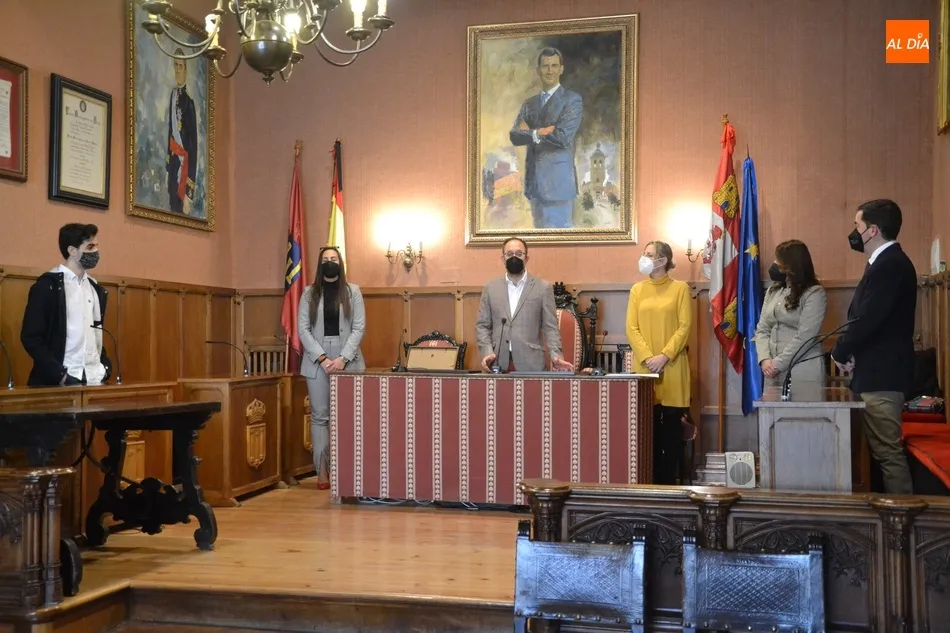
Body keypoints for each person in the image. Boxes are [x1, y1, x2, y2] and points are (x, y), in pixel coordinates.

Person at [830, 199, 916, 494]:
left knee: (888, 454)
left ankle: (901, 518)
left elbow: (868, 318)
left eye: (858, 226)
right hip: (874, 371)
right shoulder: (882, 263)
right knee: (879, 454)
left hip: (883, 376)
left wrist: (840, 351)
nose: (854, 233)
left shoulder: (890, 264)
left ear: (873, 230)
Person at [298, 247, 366, 489]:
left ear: (340, 262)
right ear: (320, 264)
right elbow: (303, 329)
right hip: (317, 360)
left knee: (350, 416)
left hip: (348, 358)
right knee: (320, 417)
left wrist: (342, 359)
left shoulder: (352, 291)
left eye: (333, 259)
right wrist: (323, 358)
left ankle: (349, 470)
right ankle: (323, 471)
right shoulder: (309, 293)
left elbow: (359, 328)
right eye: (325, 259)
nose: (329, 262)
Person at [625, 240, 692, 485]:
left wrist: (664, 356)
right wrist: (647, 357)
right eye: (643, 253)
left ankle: (669, 485)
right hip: (645, 369)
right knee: (647, 431)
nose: (644, 258)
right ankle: (649, 483)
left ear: (663, 260)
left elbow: (684, 327)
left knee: (672, 433)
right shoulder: (637, 290)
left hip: (673, 366)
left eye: (649, 254)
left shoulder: (681, 289)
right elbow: (631, 328)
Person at [21, 223, 112, 387]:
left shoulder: (95, 288)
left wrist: (105, 367)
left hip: (93, 378)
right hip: (58, 380)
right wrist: (60, 375)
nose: (96, 252)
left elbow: (94, 335)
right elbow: (31, 337)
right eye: (90, 247)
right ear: (72, 251)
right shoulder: (47, 286)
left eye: (97, 246)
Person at [509, 47, 583, 229]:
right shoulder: (529, 104)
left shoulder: (572, 100)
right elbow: (515, 136)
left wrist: (529, 133)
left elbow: (562, 137)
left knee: (559, 242)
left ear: (561, 69)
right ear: (538, 70)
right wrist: (539, 133)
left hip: (558, 186)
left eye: (554, 66)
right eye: (545, 66)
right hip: (534, 186)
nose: (550, 71)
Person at [475, 237, 573, 373]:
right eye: (509, 254)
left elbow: (551, 327)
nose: (514, 257)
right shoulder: (490, 288)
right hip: (497, 363)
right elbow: (482, 326)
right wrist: (487, 352)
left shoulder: (543, 288)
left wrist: (556, 356)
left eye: (519, 254)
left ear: (526, 258)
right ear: (503, 258)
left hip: (531, 363)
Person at [754, 240, 827, 391]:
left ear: (791, 265)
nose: (774, 264)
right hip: (771, 371)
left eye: (778, 260)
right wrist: (765, 359)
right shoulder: (773, 291)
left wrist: (777, 364)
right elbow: (762, 329)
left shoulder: (814, 293)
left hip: (802, 370)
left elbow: (806, 336)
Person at [167, 49, 198, 215]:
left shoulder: (189, 103)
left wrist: (188, 193)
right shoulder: (172, 97)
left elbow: (193, 148)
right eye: (176, 66)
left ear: (186, 70)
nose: (178, 70)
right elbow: (170, 134)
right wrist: (168, 167)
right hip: (173, 169)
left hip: (183, 172)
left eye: (181, 66)